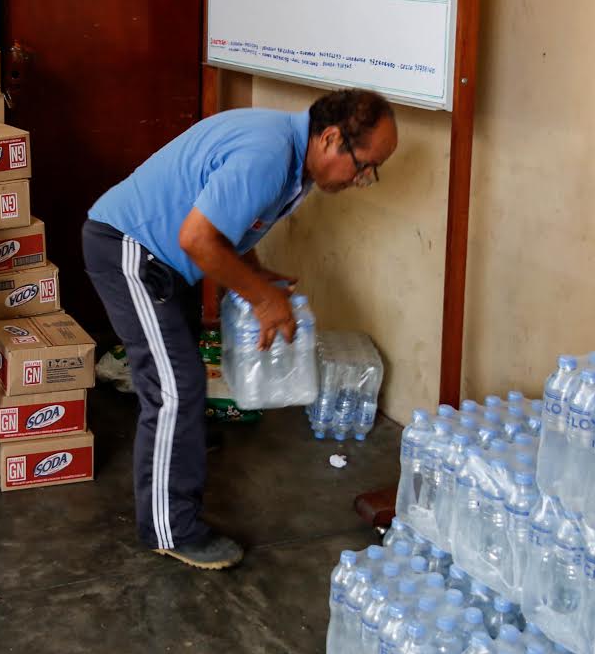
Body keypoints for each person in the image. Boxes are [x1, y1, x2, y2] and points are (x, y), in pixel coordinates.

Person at [82, 88, 398, 570]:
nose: (363, 178)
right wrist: (263, 298)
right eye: (364, 165)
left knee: (181, 374)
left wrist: (254, 271)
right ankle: (171, 528)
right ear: (331, 138)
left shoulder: (294, 161)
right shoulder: (269, 156)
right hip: (130, 251)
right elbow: (197, 238)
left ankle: (181, 441)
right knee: (175, 389)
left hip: (164, 258)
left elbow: (230, 222)